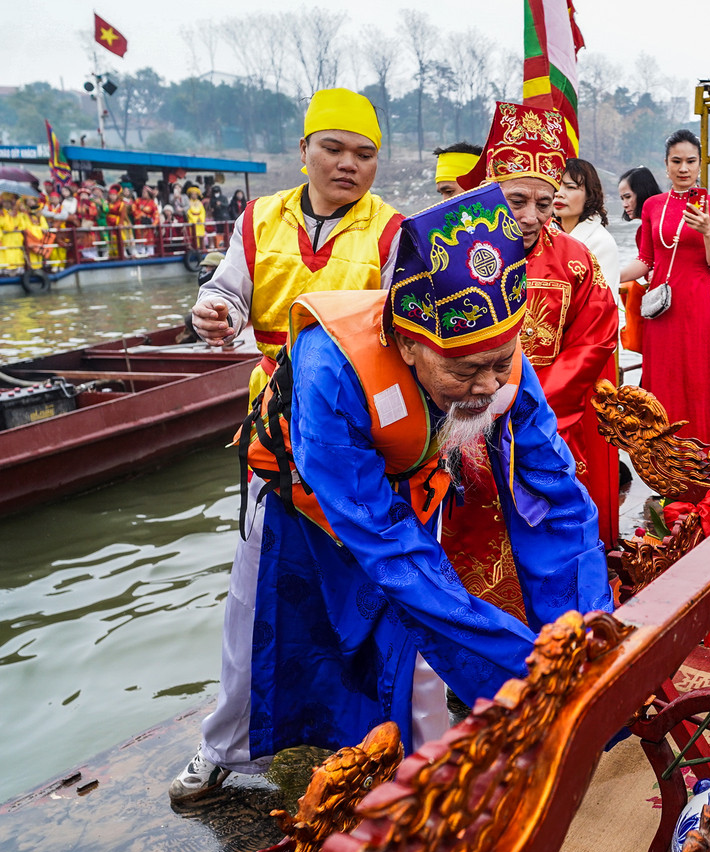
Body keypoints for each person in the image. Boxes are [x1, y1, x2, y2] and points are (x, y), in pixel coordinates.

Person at [168, 184, 612, 804]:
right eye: (463, 372)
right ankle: (222, 751)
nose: (487, 385)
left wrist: (590, 637)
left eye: (500, 363)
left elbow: (557, 500)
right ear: (406, 344)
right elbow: (383, 541)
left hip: (411, 491)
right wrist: (528, 665)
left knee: (418, 655)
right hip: (302, 499)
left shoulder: (498, 356)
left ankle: (426, 779)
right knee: (258, 636)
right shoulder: (334, 366)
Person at [459, 102, 621, 547]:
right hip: (465, 426)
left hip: (546, 430)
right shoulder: (454, 251)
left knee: (551, 545)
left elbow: (596, 341)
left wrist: (525, 407)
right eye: (517, 201)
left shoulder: (576, 260)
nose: (531, 216)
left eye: (544, 204)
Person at [190, 88, 403, 404]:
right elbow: (227, 292)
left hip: (357, 397)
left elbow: (402, 326)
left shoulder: (392, 229)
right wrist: (218, 315)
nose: (348, 164)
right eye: (332, 149)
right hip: (273, 394)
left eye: (364, 155)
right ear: (304, 149)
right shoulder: (259, 218)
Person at [620, 129, 710, 447]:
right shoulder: (653, 206)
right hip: (661, 305)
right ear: (666, 165)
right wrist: (604, 272)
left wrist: (708, 231)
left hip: (698, 302)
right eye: (676, 161)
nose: (684, 168)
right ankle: (660, 455)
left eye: (691, 161)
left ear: (700, 165)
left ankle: (700, 454)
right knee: (663, 376)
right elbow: (645, 260)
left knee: (697, 378)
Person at [553, 157, 620, 297]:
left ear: (589, 196)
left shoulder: (601, 243)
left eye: (570, 187)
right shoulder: (544, 234)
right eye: (556, 186)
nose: (559, 193)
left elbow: (603, 302)